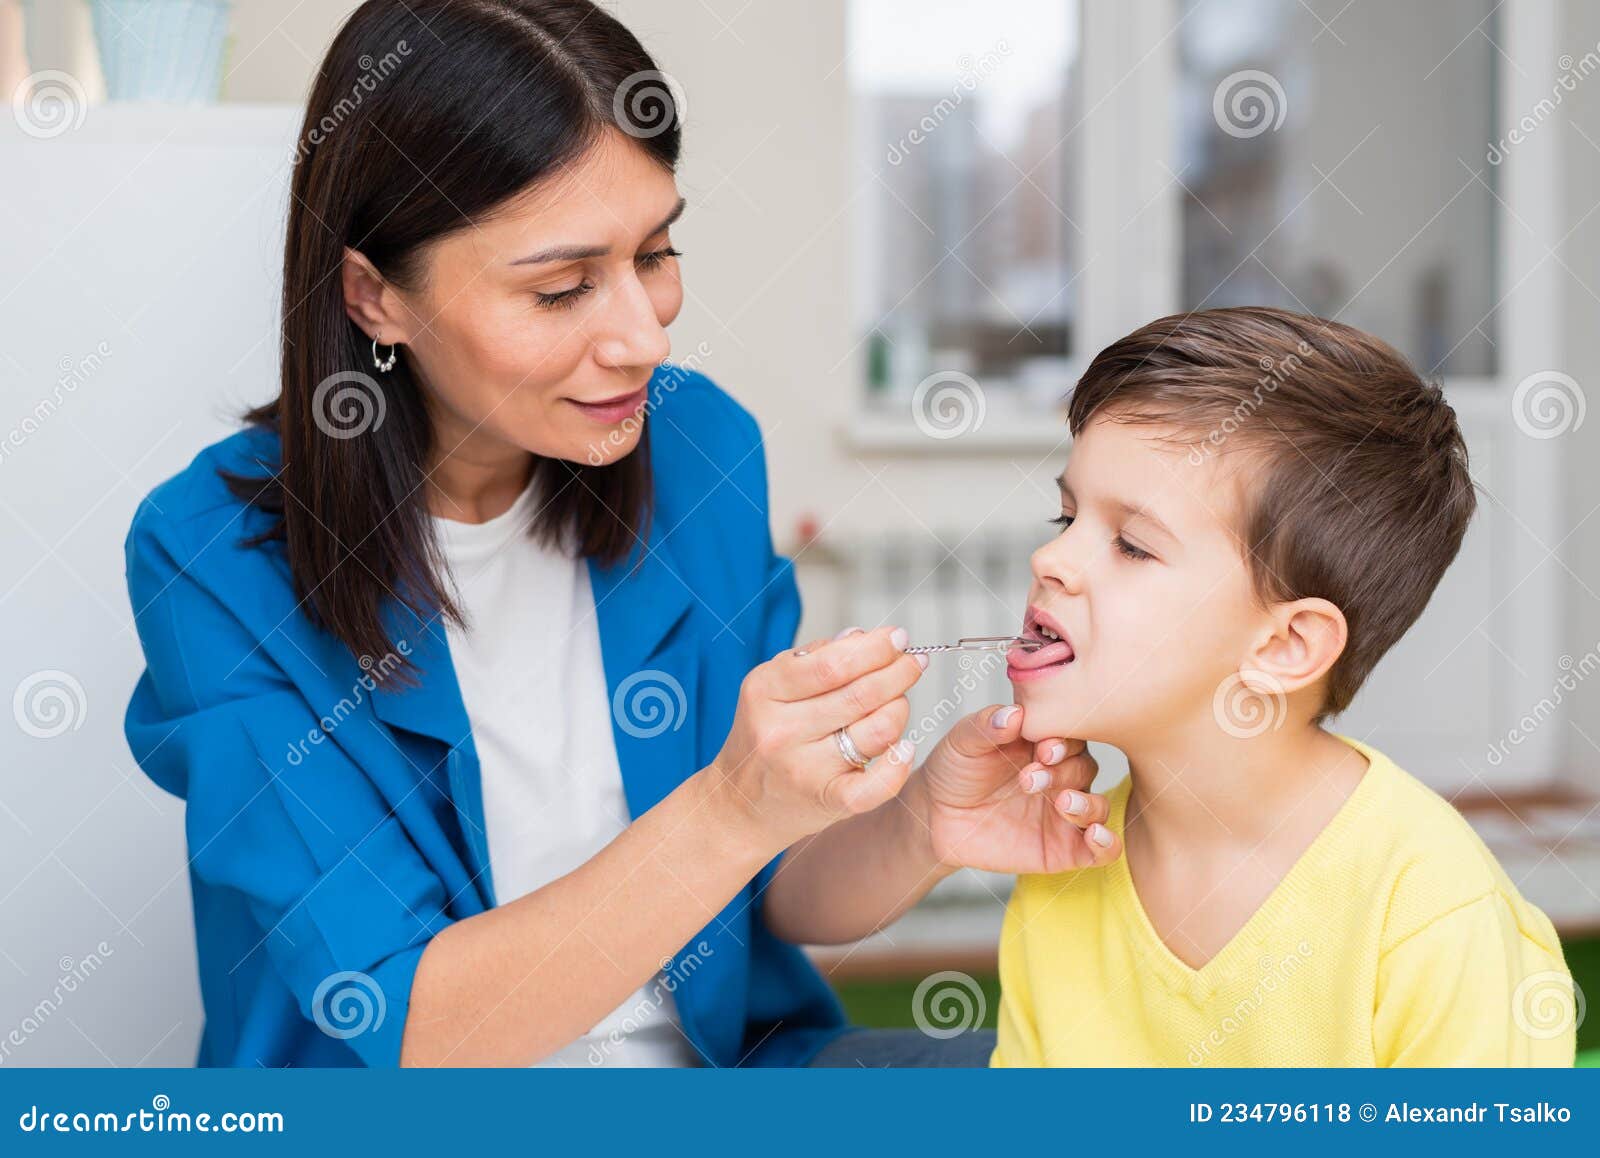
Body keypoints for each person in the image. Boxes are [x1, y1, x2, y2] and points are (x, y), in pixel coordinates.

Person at [989, 307, 1577, 1066]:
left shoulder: (1431, 911)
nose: (1052, 559)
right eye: (1065, 516)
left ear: (1286, 645)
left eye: (1132, 545)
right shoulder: (1064, 868)